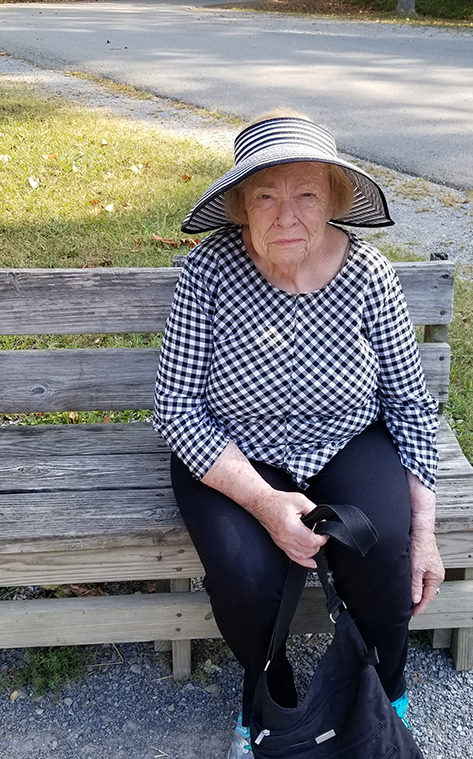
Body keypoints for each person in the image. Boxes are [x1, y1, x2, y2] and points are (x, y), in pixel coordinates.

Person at [153, 110, 445, 758]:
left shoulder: (369, 277)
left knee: (384, 546)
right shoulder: (209, 274)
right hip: (233, 446)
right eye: (266, 195)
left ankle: (383, 693)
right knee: (245, 570)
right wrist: (263, 500)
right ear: (240, 206)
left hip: (343, 437)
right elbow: (176, 408)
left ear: (335, 199)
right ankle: (265, 702)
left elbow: (408, 402)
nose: (286, 215)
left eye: (305, 193)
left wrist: (426, 531)